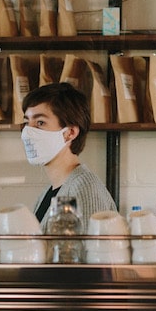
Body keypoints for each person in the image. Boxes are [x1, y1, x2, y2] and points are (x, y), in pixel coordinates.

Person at [21, 82, 117, 230]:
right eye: (27, 122)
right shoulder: (50, 191)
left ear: (70, 133)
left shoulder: (84, 188)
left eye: (40, 122)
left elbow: (89, 251)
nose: (28, 132)